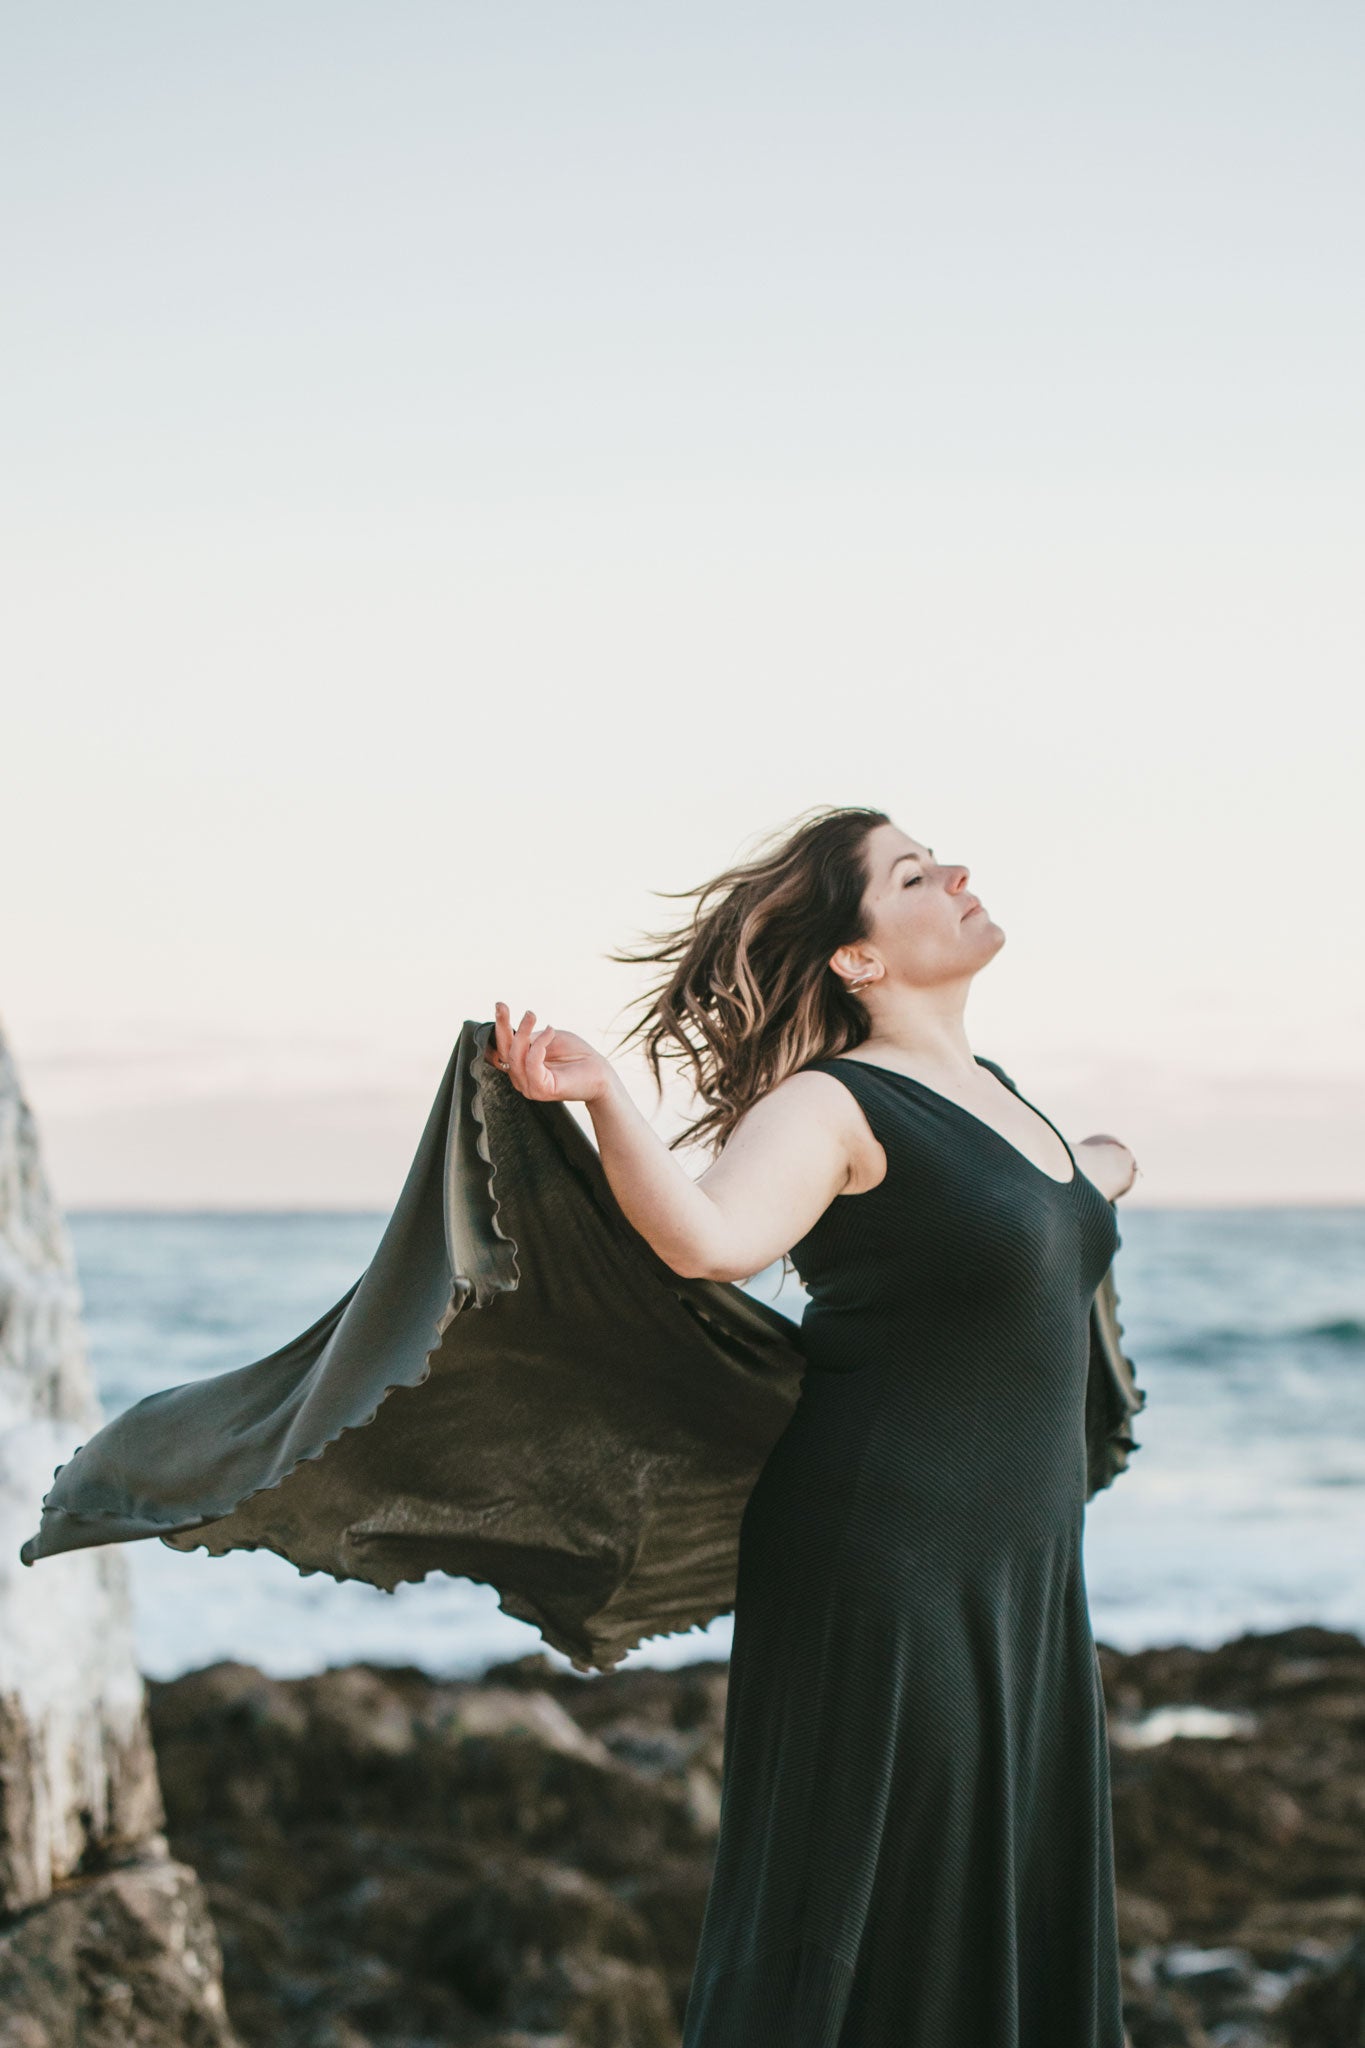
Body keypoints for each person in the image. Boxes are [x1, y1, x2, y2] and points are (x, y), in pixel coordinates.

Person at [487, 802, 1137, 2048]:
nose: (955, 872)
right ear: (859, 957)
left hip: (1022, 1569)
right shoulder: (830, 1107)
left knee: (1001, 1885)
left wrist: (1103, 1166)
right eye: (911, 872)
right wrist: (607, 1099)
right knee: (879, 1901)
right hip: (885, 1558)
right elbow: (709, 1238)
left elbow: (1037, 1207)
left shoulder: (997, 1097)